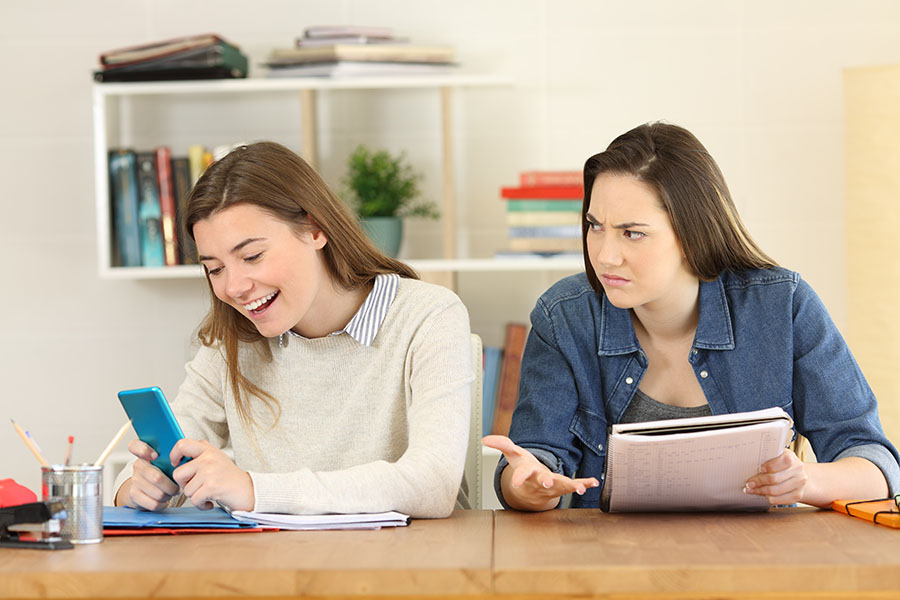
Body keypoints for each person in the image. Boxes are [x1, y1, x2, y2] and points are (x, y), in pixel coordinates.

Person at [484, 122, 900, 512]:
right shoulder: (564, 316)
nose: (605, 256)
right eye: (595, 226)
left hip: (755, 556)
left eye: (632, 233)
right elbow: (532, 462)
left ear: (692, 233)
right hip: (609, 557)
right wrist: (528, 487)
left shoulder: (782, 306)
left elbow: (875, 464)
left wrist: (804, 480)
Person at [114, 141, 473, 518]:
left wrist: (254, 490)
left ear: (315, 230)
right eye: (215, 269)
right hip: (275, 554)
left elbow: (434, 482)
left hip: (413, 554)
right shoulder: (233, 340)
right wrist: (138, 487)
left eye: (252, 256)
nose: (234, 287)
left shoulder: (427, 315)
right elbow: (164, 451)